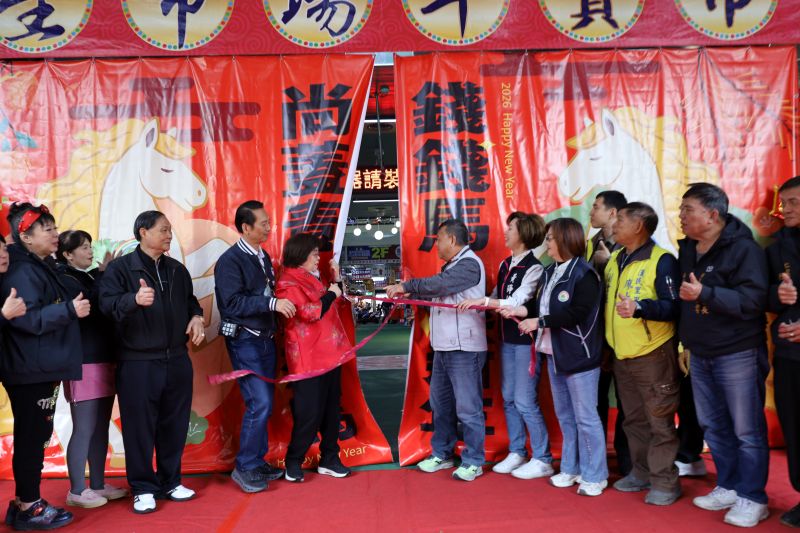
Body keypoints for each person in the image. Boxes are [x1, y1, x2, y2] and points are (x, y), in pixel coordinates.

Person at [98, 210, 204, 514]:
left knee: (175, 424)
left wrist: (196, 316)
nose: (169, 235)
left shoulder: (177, 270)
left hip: (177, 358)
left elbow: (190, 302)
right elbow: (105, 305)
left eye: (170, 230)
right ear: (143, 232)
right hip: (138, 362)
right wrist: (133, 300)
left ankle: (171, 481)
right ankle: (143, 487)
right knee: (139, 428)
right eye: (163, 230)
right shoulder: (120, 269)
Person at [677, 183, 770, 528]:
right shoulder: (689, 248)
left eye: (688, 209)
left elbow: (753, 302)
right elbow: (684, 303)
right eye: (681, 209)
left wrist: (706, 293)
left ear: (712, 215)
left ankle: (753, 497)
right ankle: (729, 486)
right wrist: (686, 343)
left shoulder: (744, 249)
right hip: (701, 352)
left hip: (738, 352)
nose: (681, 215)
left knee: (746, 430)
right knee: (713, 426)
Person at [503, 217, 608, 496]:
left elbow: (577, 313)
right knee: (566, 416)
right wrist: (519, 312)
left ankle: (595, 475)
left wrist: (539, 322)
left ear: (565, 239)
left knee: (586, 417)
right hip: (553, 354)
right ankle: (571, 468)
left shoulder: (584, 274)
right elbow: (538, 308)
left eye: (550, 238)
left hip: (579, 356)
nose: (546, 243)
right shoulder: (550, 271)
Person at [1, 203, 88, 530]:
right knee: (31, 436)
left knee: (35, 435)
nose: (55, 234)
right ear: (25, 236)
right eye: (47, 229)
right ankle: (29, 506)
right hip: (30, 368)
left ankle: (24, 503)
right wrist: (69, 310)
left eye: (54, 228)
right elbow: (24, 319)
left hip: (38, 366)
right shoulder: (22, 271)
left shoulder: (38, 265)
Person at [385, 219, 487, 482]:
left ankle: (474, 460)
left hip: (464, 348)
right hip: (444, 347)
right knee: (441, 405)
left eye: (439, 239)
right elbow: (439, 292)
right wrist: (413, 296)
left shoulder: (469, 264)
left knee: (468, 408)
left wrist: (407, 286)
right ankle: (442, 453)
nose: (436, 245)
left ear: (452, 239)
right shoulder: (452, 265)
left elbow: (441, 285)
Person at [458, 212, 552, 479]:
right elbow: (496, 296)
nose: (506, 232)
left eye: (511, 228)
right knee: (509, 398)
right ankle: (517, 451)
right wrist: (479, 302)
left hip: (525, 343)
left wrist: (485, 302)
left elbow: (517, 299)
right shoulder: (505, 264)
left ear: (524, 233)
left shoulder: (534, 268)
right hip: (506, 341)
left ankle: (543, 457)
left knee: (525, 401)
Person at [214, 200, 296, 493]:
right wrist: (272, 303)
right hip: (245, 341)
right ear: (245, 227)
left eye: (269, 222)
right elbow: (231, 303)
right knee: (259, 403)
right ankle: (245, 466)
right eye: (263, 223)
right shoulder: (230, 261)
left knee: (264, 403)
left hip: (265, 339)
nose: (269, 227)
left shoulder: (262, 256)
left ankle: (256, 461)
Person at [604, 203, 682, 505]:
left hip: (653, 354)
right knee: (633, 420)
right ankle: (641, 472)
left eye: (621, 219)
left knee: (659, 420)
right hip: (622, 354)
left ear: (639, 225)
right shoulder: (615, 259)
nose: (615, 224)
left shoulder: (662, 260)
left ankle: (665, 482)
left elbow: (674, 307)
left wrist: (640, 308)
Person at [56, 230, 128, 508]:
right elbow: (93, 305)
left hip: (104, 357)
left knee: (100, 428)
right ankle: (76, 490)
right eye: (83, 247)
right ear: (67, 254)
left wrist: (101, 273)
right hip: (83, 361)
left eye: (90, 246)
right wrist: (105, 274)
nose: (90, 251)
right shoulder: (64, 278)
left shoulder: (87, 276)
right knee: (84, 427)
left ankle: (97, 484)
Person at [275, 233, 353, 483]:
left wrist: (336, 281)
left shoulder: (313, 277)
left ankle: (330, 458)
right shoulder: (287, 282)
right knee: (309, 412)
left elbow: (334, 302)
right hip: (307, 358)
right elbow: (310, 312)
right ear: (300, 255)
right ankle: (293, 460)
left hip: (330, 353)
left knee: (332, 409)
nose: (318, 258)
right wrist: (331, 293)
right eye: (314, 254)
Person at [587, 190, 631, 477]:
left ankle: (628, 464)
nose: (591, 212)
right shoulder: (591, 243)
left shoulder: (629, 243)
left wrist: (611, 260)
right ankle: (596, 460)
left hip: (626, 333)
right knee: (595, 399)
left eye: (596, 207)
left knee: (628, 401)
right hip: (596, 333)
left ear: (613, 212)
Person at [765, 176, 800, 528]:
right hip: (789, 355)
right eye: (783, 202)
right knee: (793, 427)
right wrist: (778, 296)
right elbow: (764, 297)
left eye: (793, 203)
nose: (784, 209)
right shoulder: (776, 248)